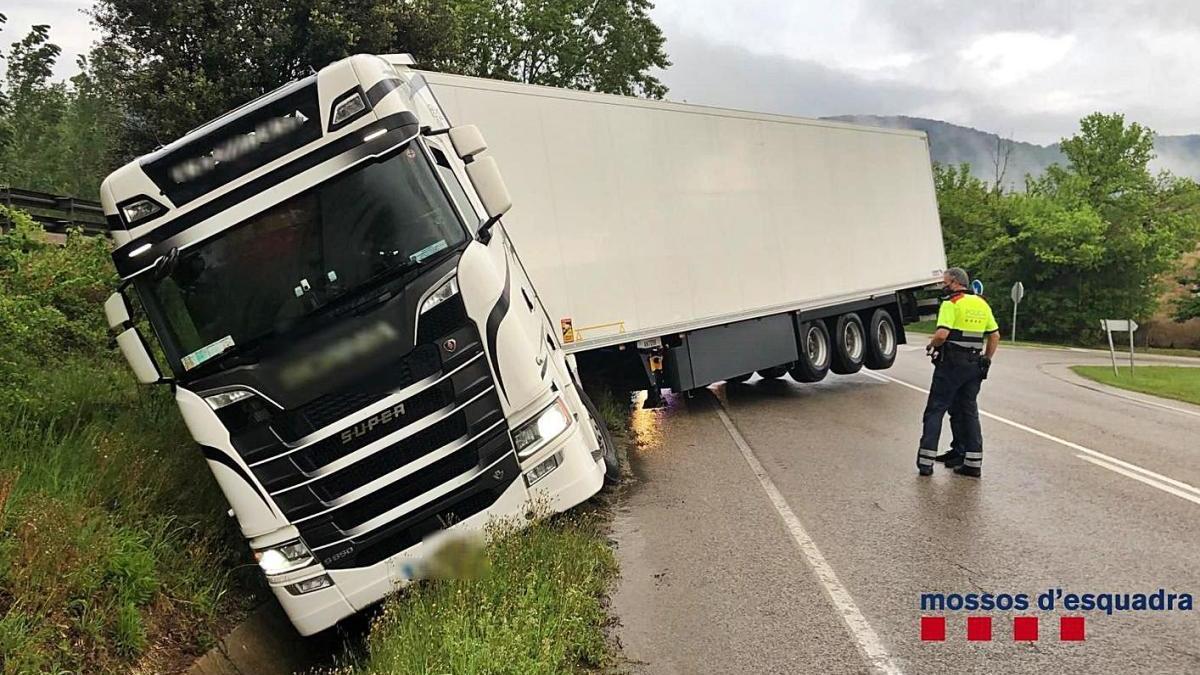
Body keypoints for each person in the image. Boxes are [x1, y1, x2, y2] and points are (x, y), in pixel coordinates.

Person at [916, 268, 1000, 477]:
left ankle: (925, 463)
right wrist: (986, 359)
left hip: (951, 363)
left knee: (936, 409)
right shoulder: (982, 303)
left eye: (945, 282)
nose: (943, 286)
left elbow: (942, 334)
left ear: (954, 282)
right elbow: (995, 335)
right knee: (968, 411)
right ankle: (972, 464)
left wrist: (931, 345)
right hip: (974, 364)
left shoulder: (951, 303)